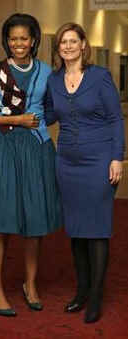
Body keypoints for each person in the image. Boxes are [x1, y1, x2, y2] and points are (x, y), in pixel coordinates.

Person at [0, 13, 62, 317]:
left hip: (36, 149)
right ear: (7, 41)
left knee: (34, 223)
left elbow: (51, 111)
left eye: (24, 38)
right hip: (4, 148)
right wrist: (15, 119)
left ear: (34, 40)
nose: (19, 43)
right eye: (13, 38)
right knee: (2, 222)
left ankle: (30, 284)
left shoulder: (46, 72)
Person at [45, 22, 125, 323]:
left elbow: (116, 120)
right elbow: (50, 114)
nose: (67, 46)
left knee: (97, 229)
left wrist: (117, 158)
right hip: (67, 162)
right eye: (62, 42)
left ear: (83, 45)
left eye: (72, 41)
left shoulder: (100, 77)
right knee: (77, 231)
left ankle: (95, 296)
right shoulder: (54, 80)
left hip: (99, 160)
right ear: (59, 48)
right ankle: (81, 292)